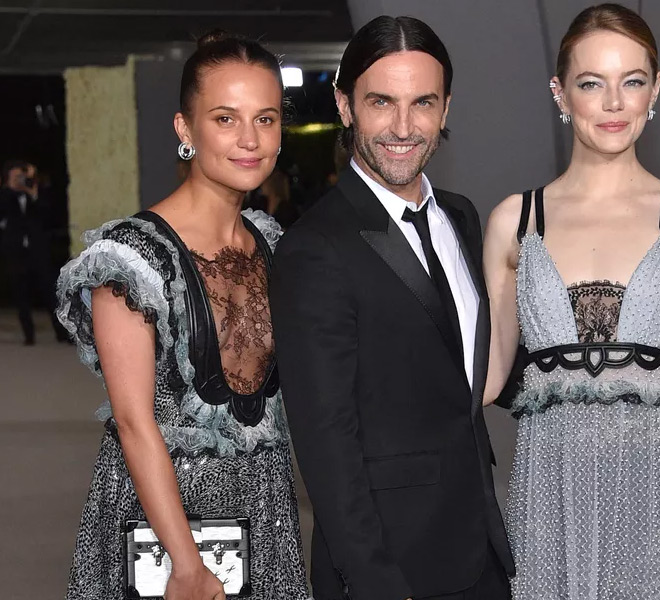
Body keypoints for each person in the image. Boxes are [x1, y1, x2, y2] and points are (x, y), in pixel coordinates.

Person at [483, 4, 660, 600]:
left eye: (633, 81)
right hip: (551, 490)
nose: (614, 103)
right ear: (560, 92)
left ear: (656, 90)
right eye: (591, 83)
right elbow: (487, 378)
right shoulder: (514, 222)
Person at [55, 31, 308, 600]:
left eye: (266, 119)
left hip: (265, 515)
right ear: (184, 129)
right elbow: (133, 422)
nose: (249, 140)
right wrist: (186, 562)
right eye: (225, 118)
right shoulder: (131, 257)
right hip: (164, 530)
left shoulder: (273, 245)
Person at [271, 16, 514, 600]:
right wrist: (376, 581)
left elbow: (461, 371)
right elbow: (325, 441)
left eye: (422, 102)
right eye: (381, 102)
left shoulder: (461, 216)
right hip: (387, 566)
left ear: (446, 108)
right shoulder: (314, 248)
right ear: (345, 105)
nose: (403, 127)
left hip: (478, 544)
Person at [0, 159, 68, 344]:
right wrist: (10, 187)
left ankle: (61, 333)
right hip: (15, 252)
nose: (20, 180)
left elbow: (49, 215)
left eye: (23, 176)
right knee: (21, 293)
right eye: (16, 177)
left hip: (38, 251)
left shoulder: (38, 194)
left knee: (50, 292)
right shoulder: (6, 196)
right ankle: (29, 336)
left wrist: (33, 191)